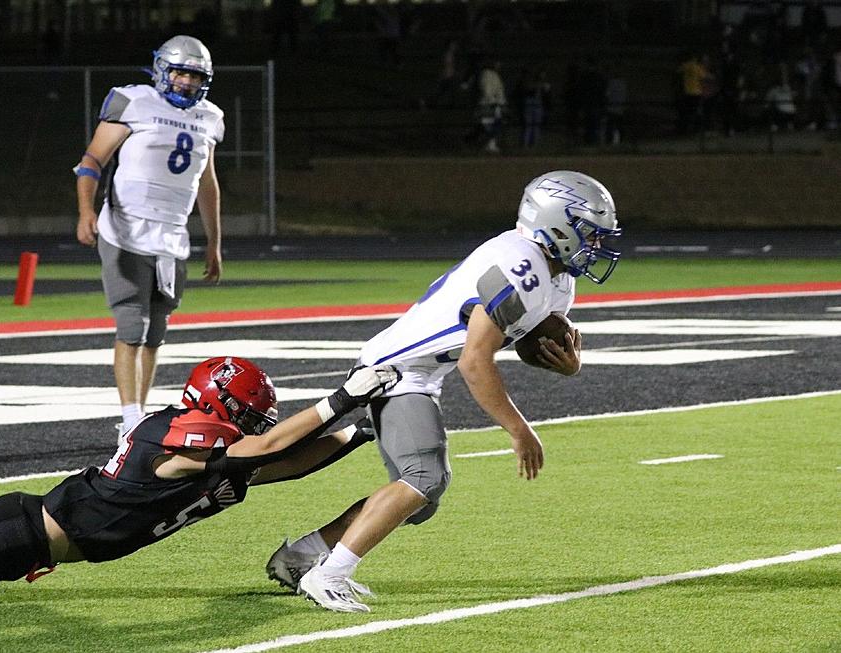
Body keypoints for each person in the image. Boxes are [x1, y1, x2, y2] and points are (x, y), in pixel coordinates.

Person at [265, 171, 622, 613]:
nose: (595, 245)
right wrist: (518, 429)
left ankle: (299, 556)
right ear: (555, 223)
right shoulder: (519, 264)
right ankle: (329, 574)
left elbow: (525, 339)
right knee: (423, 479)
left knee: (420, 500)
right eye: (588, 232)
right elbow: (476, 361)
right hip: (393, 371)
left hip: (419, 374)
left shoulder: (558, 278)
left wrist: (564, 363)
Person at [0, 358, 401, 606]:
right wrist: (343, 396)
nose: (258, 424)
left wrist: (362, 429)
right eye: (251, 414)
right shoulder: (180, 434)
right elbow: (269, 446)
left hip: (25, 536)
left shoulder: (213, 456)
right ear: (223, 407)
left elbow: (290, 461)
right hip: (20, 534)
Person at [74, 35, 224, 438]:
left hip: (172, 236)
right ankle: (129, 417)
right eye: (179, 73)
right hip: (125, 228)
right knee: (130, 324)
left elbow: (207, 183)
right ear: (161, 70)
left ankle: (139, 415)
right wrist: (86, 211)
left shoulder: (209, 116)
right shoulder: (134, 101)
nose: (186, 83)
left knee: (156, 329)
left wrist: (213, 240)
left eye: (194, 77)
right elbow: (92, 160)